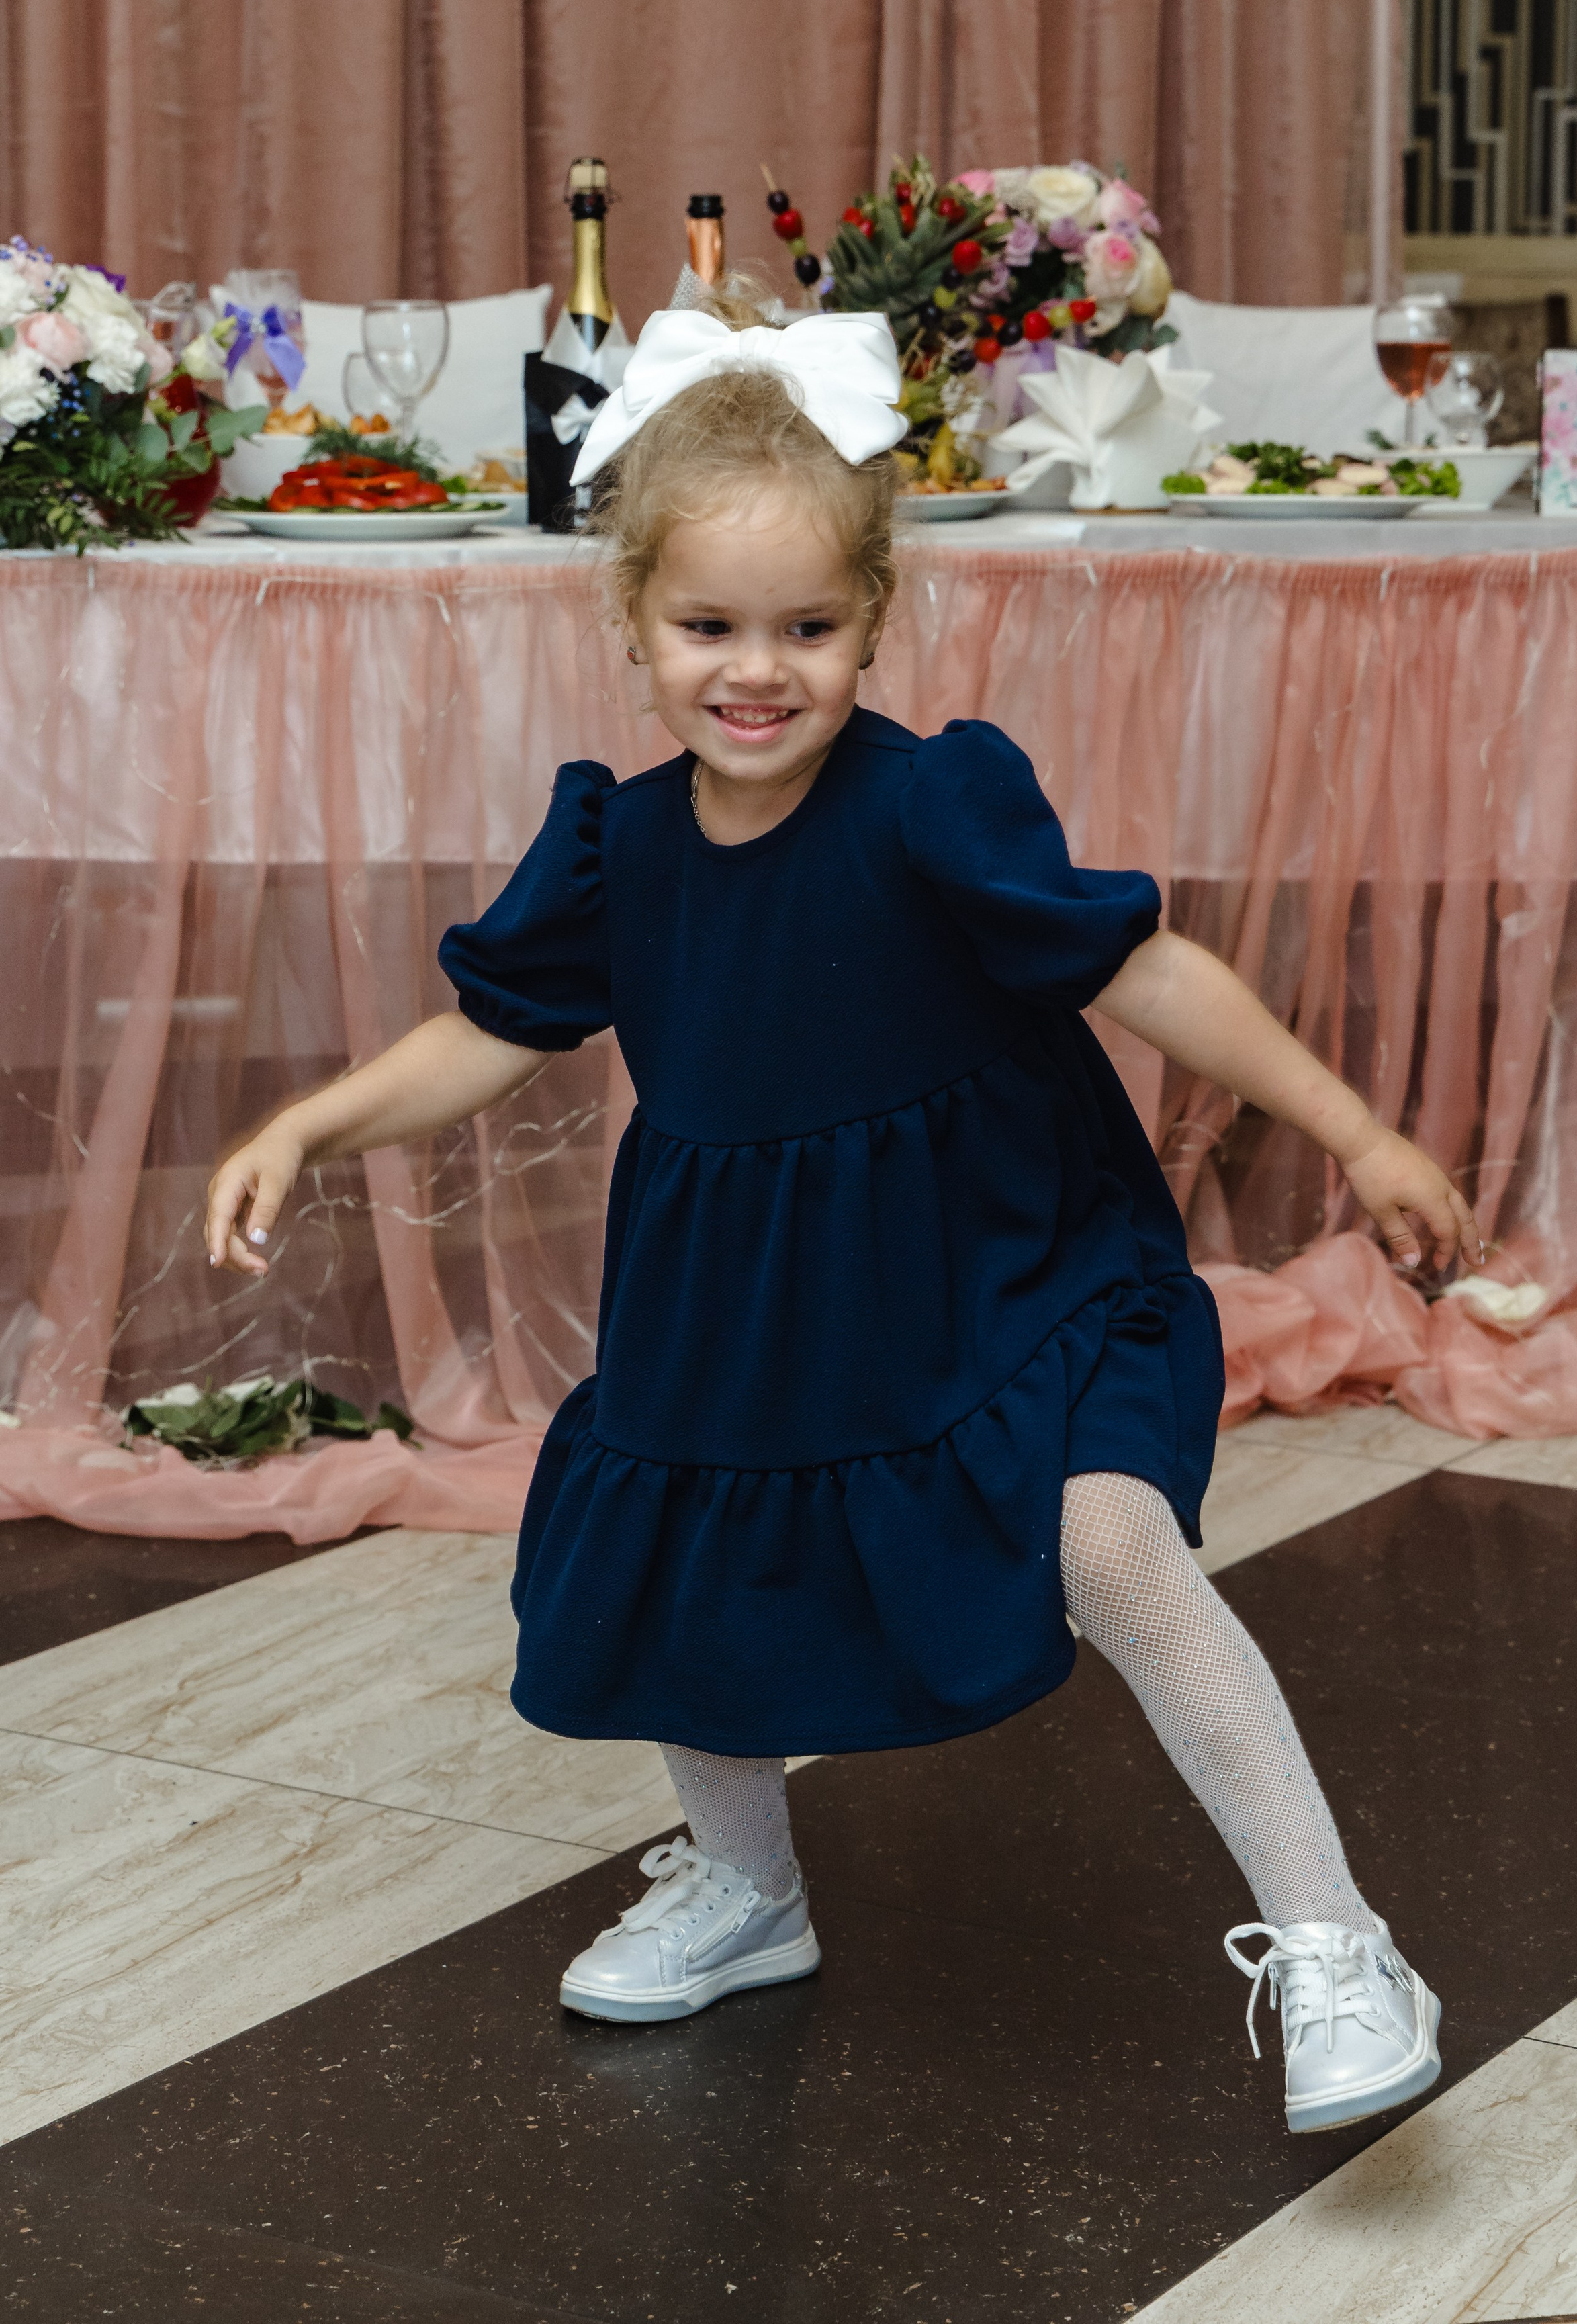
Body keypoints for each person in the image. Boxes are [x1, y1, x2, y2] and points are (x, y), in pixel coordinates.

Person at [206, 290, 1482, 2137]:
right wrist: (312, 1122)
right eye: (707, 625)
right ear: (630, 624)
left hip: (1005, 1268)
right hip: (747, 1300)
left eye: (809, 627)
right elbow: (489, 1030)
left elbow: (1146, 972)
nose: (759, 669)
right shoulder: (618, 843)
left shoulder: (934, 810)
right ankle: (748, 1893)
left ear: (877, 619)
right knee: (687, 1572)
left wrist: (1358, 1130)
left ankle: (1338, 1941)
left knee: (1113, 1545)